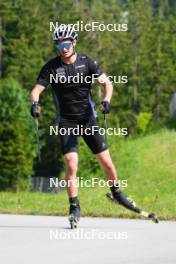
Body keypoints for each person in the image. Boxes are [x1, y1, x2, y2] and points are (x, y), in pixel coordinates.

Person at [30, 24, 140, 227]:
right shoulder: (51, 67)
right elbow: (36, 90)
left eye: (66, 43)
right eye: (59, 45)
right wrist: (35, 104)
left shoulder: (87, 62)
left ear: (73, 42)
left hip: (88, 119)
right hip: (66, 121)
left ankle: (116, 192)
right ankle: (74, 206)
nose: (63, 48)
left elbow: (107, 83)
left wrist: (106, 100)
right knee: (71, 164)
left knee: (106, 162)